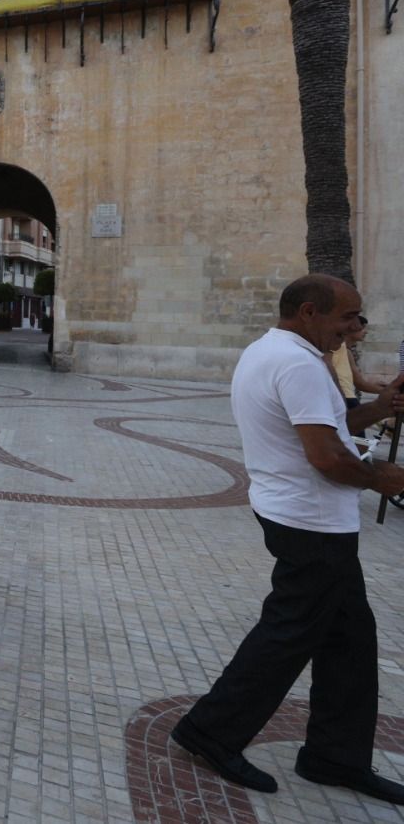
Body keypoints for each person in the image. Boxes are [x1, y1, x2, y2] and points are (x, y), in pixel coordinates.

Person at [170, 276, 404, 804]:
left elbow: (329, 426)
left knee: (349, 642)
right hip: (312, 523)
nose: (356, 328)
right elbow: (327, 457)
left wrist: (382, 407)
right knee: (286, 635)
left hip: (301, 515)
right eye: (348, 317)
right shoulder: (299, 363)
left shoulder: (272, 350)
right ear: (307, 312)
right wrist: (386, 479)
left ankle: (334, 756)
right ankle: (209, 732)